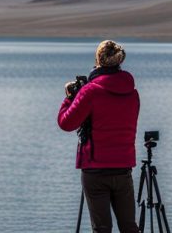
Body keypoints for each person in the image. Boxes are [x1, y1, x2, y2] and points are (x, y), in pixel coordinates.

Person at [58, 40, 140, 233]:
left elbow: (65, 123)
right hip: (123, 169)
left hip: (95, 170)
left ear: (98, 60)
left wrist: (70, 97)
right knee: (129, 227)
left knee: (102, 228)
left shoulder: (91, 92)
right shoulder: (132, 93)